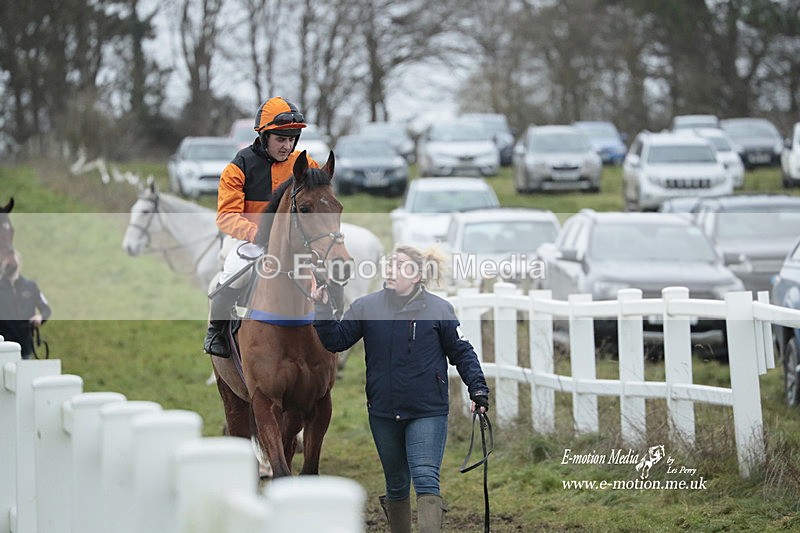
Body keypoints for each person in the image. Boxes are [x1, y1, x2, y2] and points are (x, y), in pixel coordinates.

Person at [312, 245, 490, 533]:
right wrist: (321, 309)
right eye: (390, 264)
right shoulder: (366, 306)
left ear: (418, 275)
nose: (391, 270)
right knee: (395, 483)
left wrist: (478, 390)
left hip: (427, 411)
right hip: (383, 411)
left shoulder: (439, 309)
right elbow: (337, 341)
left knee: (425, 478)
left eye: (401, 265)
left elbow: (462, 352)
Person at [204, 96, 318, 357]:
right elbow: (226, 216)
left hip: (293, 241)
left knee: (325, 273)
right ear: (264, 136)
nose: (287, 146)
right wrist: (257, 234)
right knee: (234, 273)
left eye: (291, 140)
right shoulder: (239, 166)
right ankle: (217, 333)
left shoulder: (305, 164)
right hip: (249, 239)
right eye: (281, 139)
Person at [0, 251, 52, 359]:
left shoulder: (30, 286)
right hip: (4, 345)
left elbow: (46, 309)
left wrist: (40, 317)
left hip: (26, 344)